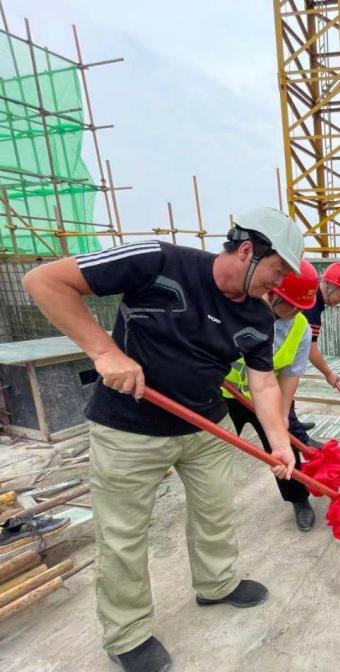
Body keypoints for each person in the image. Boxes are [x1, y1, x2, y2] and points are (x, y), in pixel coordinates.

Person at [22, 207, 302, 672]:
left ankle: (217, 583)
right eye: (278, 270)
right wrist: (104, 352)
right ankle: (128, 633)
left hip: (206, 428)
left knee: (216, 512)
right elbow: (44, 281)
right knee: (123, 536)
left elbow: (264, 383)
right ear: (247, 250)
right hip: (130, 428)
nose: (280, 283)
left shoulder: (256, 314)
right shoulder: (158, 261)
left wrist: (280, 440)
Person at [224, 259, 323, 533]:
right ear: (273, 292)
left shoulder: (300, 327)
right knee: (213, 450)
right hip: (224, 395)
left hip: (266, 398)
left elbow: (291, 373)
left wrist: (283, 413)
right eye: (291, 305)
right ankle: (214, 504)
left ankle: (298, 498)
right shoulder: (238, 309)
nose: (296, 311)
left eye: (301, 307)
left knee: (283, 448)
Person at [292, 262, 340, 420]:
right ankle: (293, 427)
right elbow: (310, 349)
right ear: (328, 286)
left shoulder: (313, 297)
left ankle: (293, 423)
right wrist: (328, 374)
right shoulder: (311, 306)